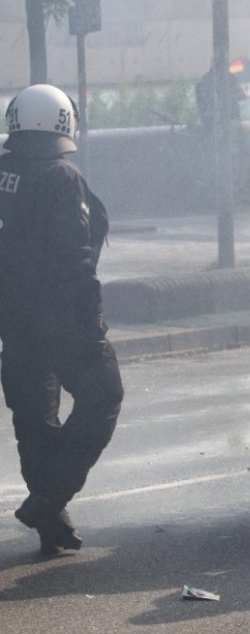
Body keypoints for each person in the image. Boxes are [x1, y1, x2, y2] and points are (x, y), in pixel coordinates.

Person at [0, 84, 124, 555]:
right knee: (104, 396)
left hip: (13, 320)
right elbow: (76, 262)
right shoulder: (60, 176)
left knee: (34, 418)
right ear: (63, 123)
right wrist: (92, 326)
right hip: (61, 319)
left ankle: (51, 523)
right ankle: (49, 498)